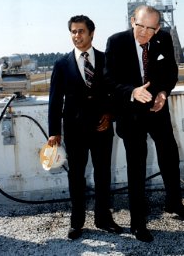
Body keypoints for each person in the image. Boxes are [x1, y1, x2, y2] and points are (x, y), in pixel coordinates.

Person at [104, 5, 184, 243]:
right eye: (140, 26)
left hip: (157, 110)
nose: (144, 33)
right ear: (132, 20)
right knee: (137, 167)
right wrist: (133, 91)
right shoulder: (116, 42)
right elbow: (108, 80)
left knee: (170, 157)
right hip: (130, 113)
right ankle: (138, 223)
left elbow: (170, 72)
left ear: (158, 28)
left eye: (150, 28)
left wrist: (164, 92)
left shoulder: (163, 39)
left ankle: (174, 204)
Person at [48, 15, 122, 240]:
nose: (76, 36)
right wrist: (54, 132)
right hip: (75, 131)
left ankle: (103, 219)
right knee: (76, 177)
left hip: (102, 128)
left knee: (102, 175)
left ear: (91, 33)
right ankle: (76, 222)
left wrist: (111, 115)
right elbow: (55, 100)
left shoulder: (106, 59)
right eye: (73, 31)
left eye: (81, 31)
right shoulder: (62, 65)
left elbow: (116, 91)